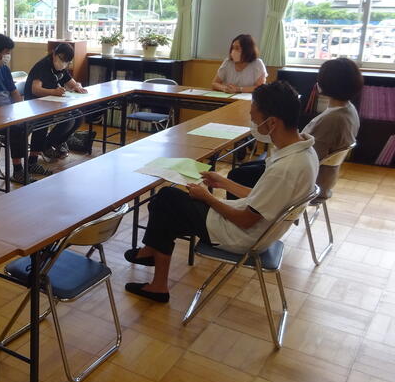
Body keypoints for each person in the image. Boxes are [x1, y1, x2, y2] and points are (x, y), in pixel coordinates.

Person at [123, 81, 318, 303]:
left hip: (242, 236)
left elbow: (245, 220)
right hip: (257, 229)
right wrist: (224, 183)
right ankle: (152, 261)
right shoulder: (305, 152)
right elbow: (262, 197)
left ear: (272, 122)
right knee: (167, 207)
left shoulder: (285, 168)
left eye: (254, 116)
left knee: (166, 199)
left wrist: (207, 197)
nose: (252, 121)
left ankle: (154, 267)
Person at [227, 57, 362, 197]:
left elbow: (310, 155)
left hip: (306, 179)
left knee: (237, 175)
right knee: (246, 167)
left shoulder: (333, 120)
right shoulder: (349, 109)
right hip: (321, 176)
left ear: (327, 83)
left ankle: (243, 209)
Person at [0, 33, 52, 183]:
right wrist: (6, 115)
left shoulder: (4, 69)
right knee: (18, 127)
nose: (8, 56)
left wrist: (22, 109)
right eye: (7, 52)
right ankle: (18, 170)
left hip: (8, 113)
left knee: (41, 118)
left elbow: (14, 93)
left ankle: (32, 162)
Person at [24, 42, 87, 161]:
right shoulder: (43, 66)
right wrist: (53, 91)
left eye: (66, 61)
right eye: (61, 59)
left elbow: (72, 83)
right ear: (54, 54)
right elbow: (35, 90)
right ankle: (44, 147)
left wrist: (77, 86)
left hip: (50, 103)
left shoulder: (61, 67)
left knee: (78, 116)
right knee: (68, 120)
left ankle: (54, 143)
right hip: (35, 104)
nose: (63, 63)